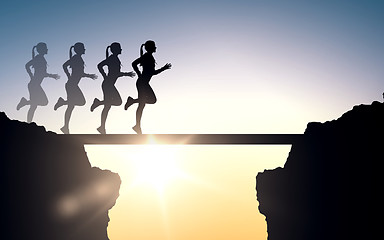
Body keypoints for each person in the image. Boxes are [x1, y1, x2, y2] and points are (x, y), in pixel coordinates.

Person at [124, 40, 171, 134]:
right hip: (142, 83)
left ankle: (133, 103)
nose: (156, 48)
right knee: (145, 103)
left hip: (144, 83)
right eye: (154, 46)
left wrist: (163, 69)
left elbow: (151, 72)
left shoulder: (149, 57)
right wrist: (139, 74)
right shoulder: (147, 56)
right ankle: (137, 125)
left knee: (146, 103)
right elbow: (134, 64)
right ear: (150, 48)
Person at [91, 42, 135, 134]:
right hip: (107, 85)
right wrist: (104, 76)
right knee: (108, 106)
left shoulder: (115, 59)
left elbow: (116, 73)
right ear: (115, 50)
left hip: (110, 85)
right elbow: (99, 66)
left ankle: (98, 103)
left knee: (116, 102)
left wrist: (125, 74)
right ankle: (102, 127)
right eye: (119, 48)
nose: (121, 50)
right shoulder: (112, 58)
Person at [54, 42, 97, 134]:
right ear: (79, 49)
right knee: (77, 104)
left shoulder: (78, 58)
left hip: (73, 85)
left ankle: (65, 126)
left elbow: (78, 72)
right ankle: (65, 125)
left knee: (72, 106)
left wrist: (88, 76)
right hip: (71, 85)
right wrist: (69, 75)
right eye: (83, 48)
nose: (85, 49)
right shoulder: (76, 58)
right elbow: (65, 66)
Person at [17, 42, 60, 123]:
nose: (47, 49)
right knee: (38, 104)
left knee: (37, 104)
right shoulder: (39, 58)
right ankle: (26, 108)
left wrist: (51, 76)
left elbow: (41, 73)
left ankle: (25, 104)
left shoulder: (41, 58)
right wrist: (31, 76)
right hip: (34, 85)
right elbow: (27, 66)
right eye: (45, 48)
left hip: (35, 85)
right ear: (42, 49)